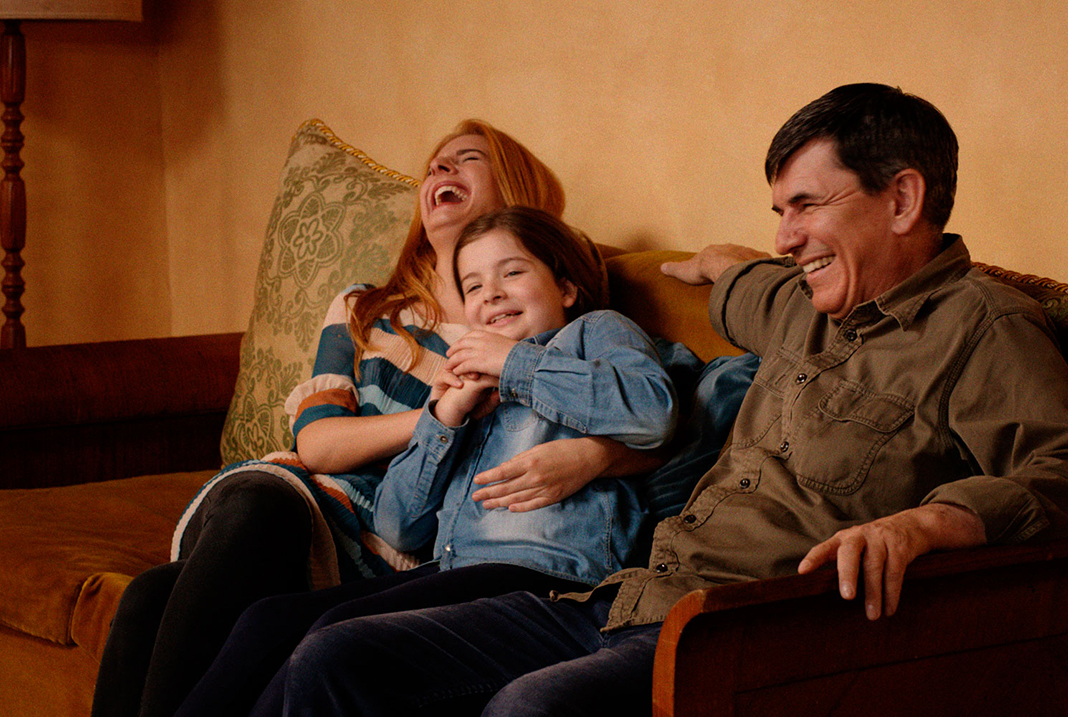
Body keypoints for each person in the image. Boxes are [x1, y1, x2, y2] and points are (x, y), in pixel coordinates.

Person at [273, 83, 1068, 717]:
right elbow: (741, 283)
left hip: (757, 627)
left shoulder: (980, 325)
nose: (786, 235)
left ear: (902, 199)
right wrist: (719, 264)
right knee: (334, 657)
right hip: (634, 595)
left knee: (531, 709)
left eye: (806, 206)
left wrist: (929, 523)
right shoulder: (800, 300)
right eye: (778, 211)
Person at [90, 120, 669, 717]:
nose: (492, 293)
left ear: (565, 284)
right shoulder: (404, 331)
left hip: (539, 570)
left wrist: (518, 370)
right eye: (474, 285)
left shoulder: (588, 335)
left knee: (317, 631)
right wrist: (442, 417)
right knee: (184, 603)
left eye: (512, 271)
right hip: (445, 556)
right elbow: (394, 514)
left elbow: (660, 412)